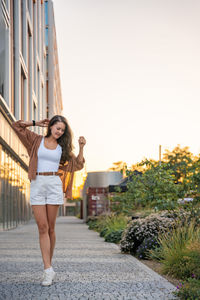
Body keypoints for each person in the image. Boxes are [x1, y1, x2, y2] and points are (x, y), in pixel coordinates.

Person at [12, 115, 86, 286]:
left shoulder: (63, 148)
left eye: (62, 130)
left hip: (54, 185)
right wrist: (35, 123)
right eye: (57, 128)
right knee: (42, 227)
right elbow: (17, 126)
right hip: (37, 183)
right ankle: (48, 269)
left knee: (51, 228)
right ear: (50, 126)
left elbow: (78, 165)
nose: (59, 132)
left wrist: (81, 147)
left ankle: (48, 267)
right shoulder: (36, 140)